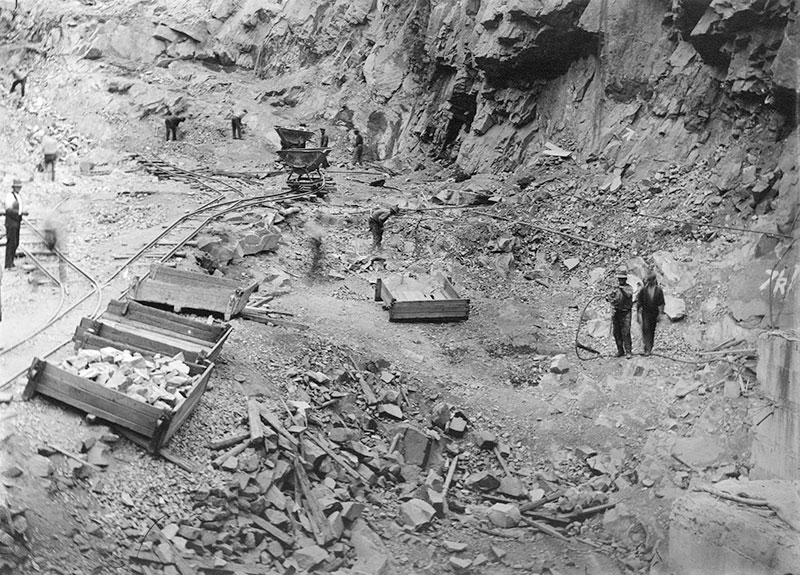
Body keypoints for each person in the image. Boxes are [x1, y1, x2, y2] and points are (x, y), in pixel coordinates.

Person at [636, 270, 665, 356]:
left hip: (654, 313)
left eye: (651, 280)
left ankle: (649, 348)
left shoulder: (658, 290)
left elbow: (661, 303)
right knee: (645, 329)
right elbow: (639, 302)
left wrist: (660, 314)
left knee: (651, 330)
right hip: (645, 312)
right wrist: (638, 314)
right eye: (648, 280)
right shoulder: (643, 290)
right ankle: (646, 348)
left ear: (654, 280)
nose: (650, 282)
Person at [608, 268, 634, 358]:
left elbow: (628, 295)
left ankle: (628, 351)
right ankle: (620, 350)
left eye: (622, 279)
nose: (620, 280)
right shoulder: (615, 288)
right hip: (617, 312)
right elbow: (611, 298)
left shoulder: (629, 288)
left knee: (626, 332)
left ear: (625, 279)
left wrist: (621, 289)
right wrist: (610, 297)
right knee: (616, 332)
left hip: (626, 313)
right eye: (619, 279)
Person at [5, 179, 26, 270]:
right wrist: (17, 215)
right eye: (17, 187)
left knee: (16, 242)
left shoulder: (18, 196)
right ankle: (8, 264)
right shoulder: (10, 196)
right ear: (13, 187)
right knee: (11, 243)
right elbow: (9, 210)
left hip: (16, 222)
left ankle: (11, 262)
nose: (19, 188)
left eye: (19, 187)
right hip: (11, 222)